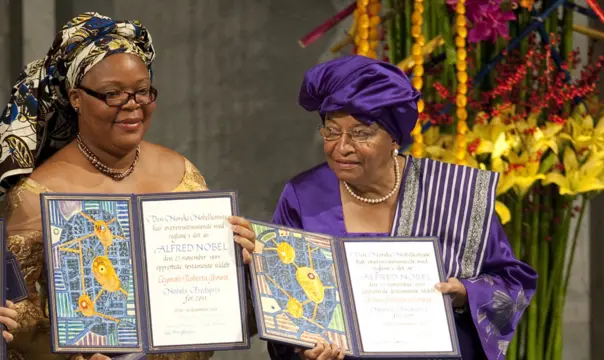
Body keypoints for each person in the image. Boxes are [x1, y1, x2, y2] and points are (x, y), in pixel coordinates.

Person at [0, 12, 256, 360]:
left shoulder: (183, 174)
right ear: (76, 98)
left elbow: (213, 304)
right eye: (113, 94)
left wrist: (242, 263)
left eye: (142, 92)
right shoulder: (36, 195)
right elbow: (19, 324)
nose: (133, 105)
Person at [266, 55, 538, 360]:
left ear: (394, 137)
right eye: (331, 131)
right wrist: (306, 351)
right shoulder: (303, 197)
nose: (341, 147)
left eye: (360, 133)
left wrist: (465, 293)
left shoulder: (450, 193)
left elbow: (511, 283)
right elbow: (284, 308)